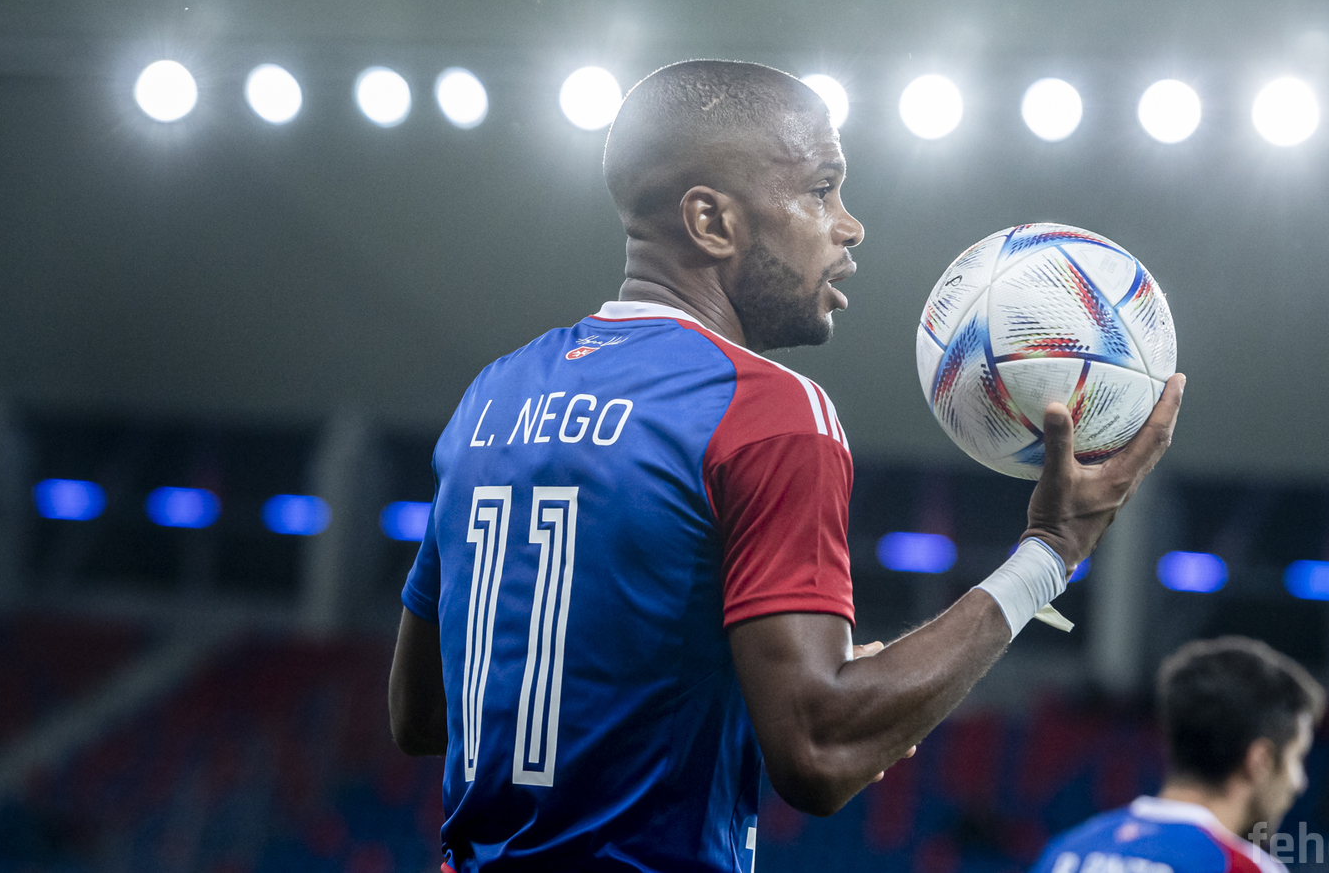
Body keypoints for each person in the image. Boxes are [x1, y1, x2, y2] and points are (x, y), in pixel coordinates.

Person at [387, 58, 1185, 873]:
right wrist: (1051, 551)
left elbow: (420, 715)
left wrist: (743, 680)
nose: (850, 225)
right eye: (820, 190)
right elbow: (819, 753)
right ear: (712, 222)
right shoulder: (765, 411)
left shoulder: (493, 395)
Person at [1030, 637, 1325, 873]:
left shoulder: (1066, 853)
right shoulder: (1241, 867)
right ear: (1259, 760)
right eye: (1297, 758)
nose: (1299, 782)